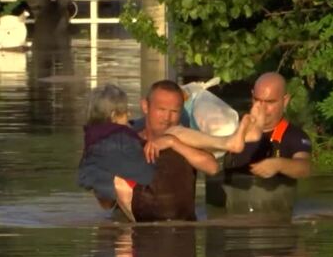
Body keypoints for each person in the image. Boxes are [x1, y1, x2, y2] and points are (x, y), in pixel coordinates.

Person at [78, 83, 253, 222]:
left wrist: (173, 143)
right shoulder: (125, 139)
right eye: (161, 110)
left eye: (174, 111)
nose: (167, 118)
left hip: (178, 224)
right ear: (145, 107)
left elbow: (212, 167)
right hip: (132, 224)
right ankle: (228, 142)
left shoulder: (183, 137)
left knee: (174, 132)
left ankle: (229, 142)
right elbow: (106, 202)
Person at [206, 72, 312, 217]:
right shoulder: (232, 129)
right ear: (252, 97)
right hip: (230, 222)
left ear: (285, 100)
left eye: (270, 102)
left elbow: (304, 168)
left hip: (273, 223)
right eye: (258, 100)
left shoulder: (295, 137)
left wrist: (279, 164)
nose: (262, 108)